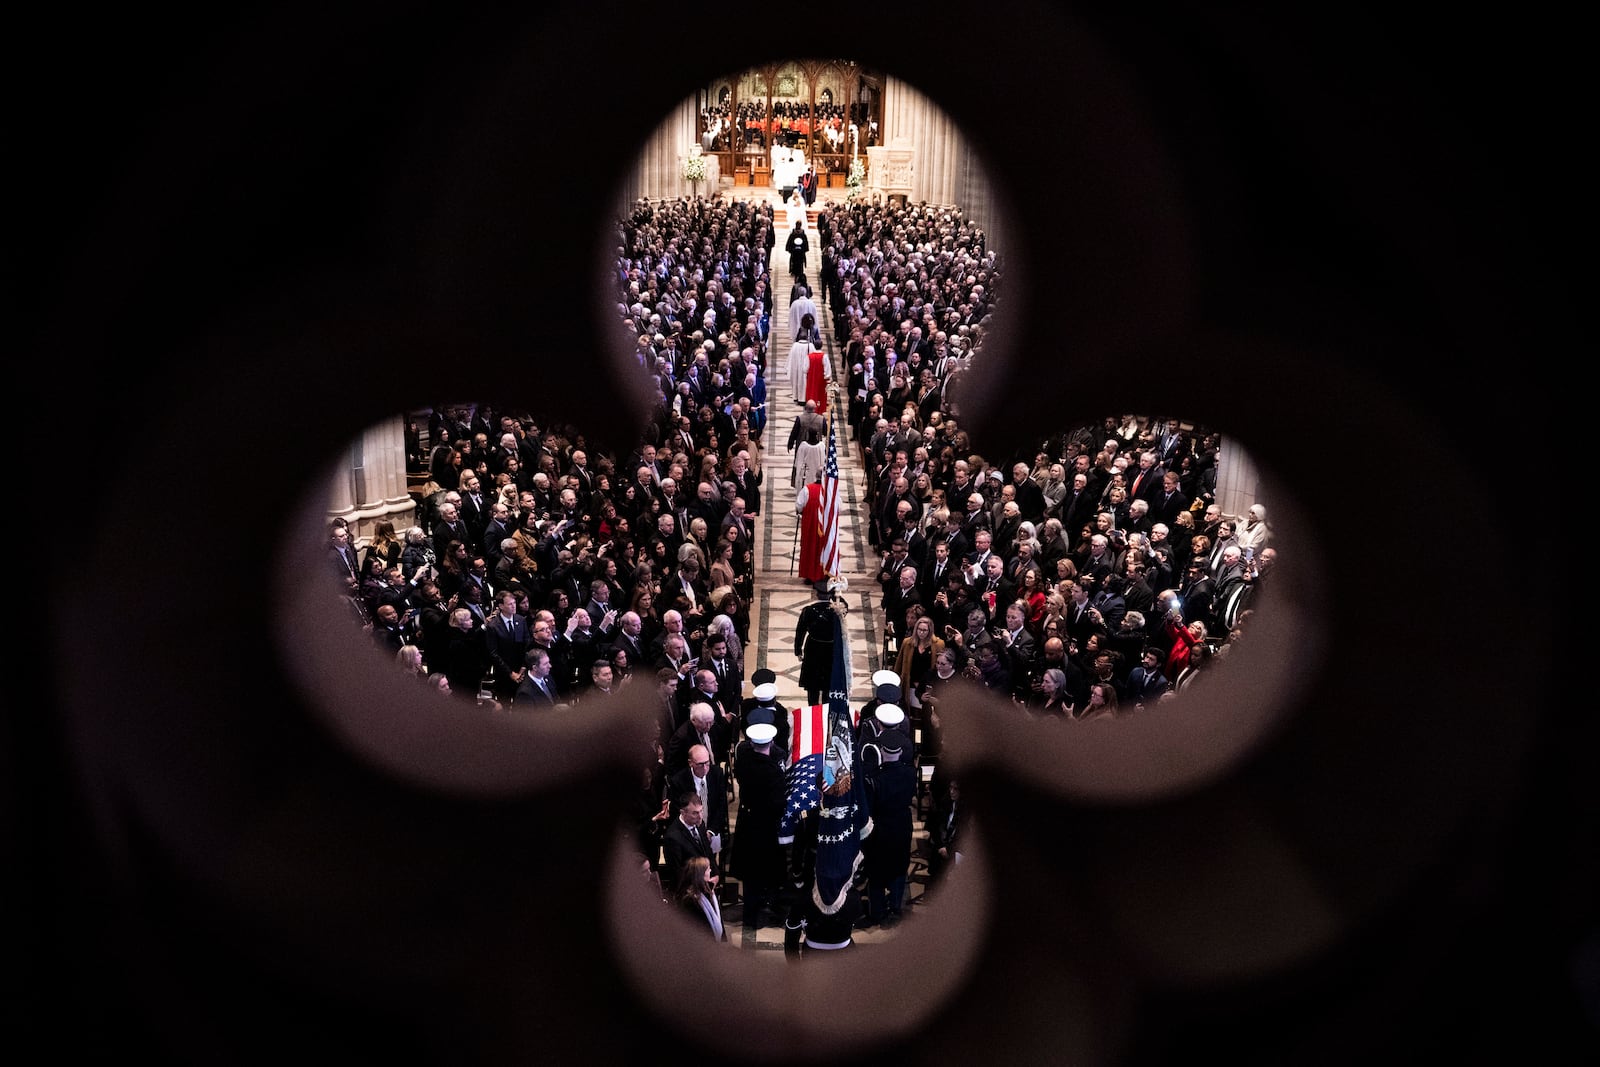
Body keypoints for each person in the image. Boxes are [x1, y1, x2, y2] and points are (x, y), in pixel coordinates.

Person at [731, 721, 786, 931]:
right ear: (770, 743)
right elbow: (778, 804)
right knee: (768, 870)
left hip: (747, 824)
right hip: (767, 827)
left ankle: (750, 918)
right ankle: (770, 908)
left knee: (751, 877)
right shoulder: (773, 773)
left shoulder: (743, 762)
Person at [794, 580, 837, 705]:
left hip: (813, 649)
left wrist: (798, 650)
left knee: (813, 684)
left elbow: (800, 631)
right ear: (831, 595)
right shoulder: (837, 612)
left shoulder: (808, 611)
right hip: (831, 651)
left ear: (816, 594)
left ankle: (812, 709)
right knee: (828, 684)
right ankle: (825, 708)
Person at [674, 856, 728, 942]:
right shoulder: (690, 900)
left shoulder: (708, 891)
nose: (710, 871)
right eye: (708, 869)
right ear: (700, 874)